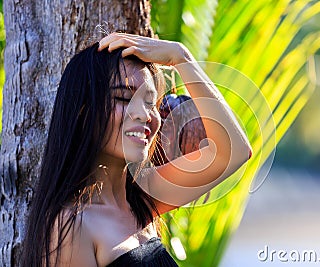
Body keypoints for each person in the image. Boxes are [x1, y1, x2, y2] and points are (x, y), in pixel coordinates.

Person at [21, 32, 252, 267]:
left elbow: (235, 151)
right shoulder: (71, 226)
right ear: (83, 112)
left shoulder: (142, 199)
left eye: (151, 103)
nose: (144, 114)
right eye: (123, 98)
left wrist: (181, 57)